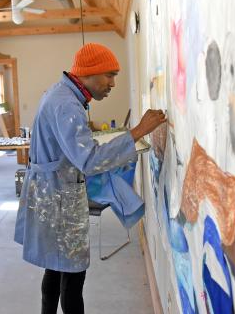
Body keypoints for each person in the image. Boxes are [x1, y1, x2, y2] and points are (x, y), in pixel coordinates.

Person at [14, 43, 166, 314]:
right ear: (88, 74)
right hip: (58, 197)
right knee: (72, 275)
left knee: (55, 265)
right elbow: (90, 160)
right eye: (109, 75)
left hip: (52, 192)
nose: (113, 84)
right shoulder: (67, 105)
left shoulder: (62, 94)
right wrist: (137, 131)